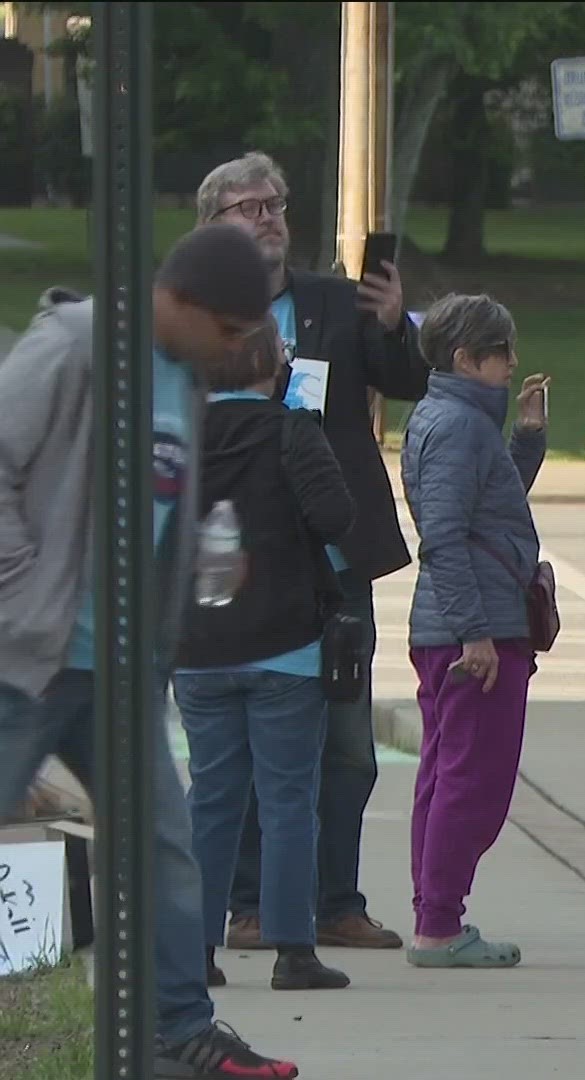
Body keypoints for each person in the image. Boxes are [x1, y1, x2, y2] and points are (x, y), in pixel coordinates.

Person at [0, 223, 300, 1077]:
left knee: (162, 841)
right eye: (234, 334)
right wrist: (19, 597)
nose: (238, 351)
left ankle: (176, 1030)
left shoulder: (182, 376)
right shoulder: (75, 347)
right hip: (28, 658)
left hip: (117, 666)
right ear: (184, 304)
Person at [197, 151, 430, 952]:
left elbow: (406, 381)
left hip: (334, 565)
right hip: (241, 562)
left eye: (277, 203)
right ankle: (253, 907)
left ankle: (337, 902)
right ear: (214, 225)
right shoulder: (190, 315)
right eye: (249, 207)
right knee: (243, 753)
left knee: (347, 747)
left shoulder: (333, 300)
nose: (268, 217)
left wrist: (396, 324)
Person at [173, 324, 356, 993]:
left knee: (211, 798)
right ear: (270, 367)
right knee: (287, 798)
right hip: (286, 643)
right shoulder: (292, 431)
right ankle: (291, 949)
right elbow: (336, 516)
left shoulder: (181, 431)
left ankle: (194, 948)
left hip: (198, 642)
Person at [401, 294, 550, 969]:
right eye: (501, 355)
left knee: (445, 773)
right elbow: (447, 534)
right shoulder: (457, 427)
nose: (513, 365)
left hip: (461, 622)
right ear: (466, 358)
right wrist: (474, 634)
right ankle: (439, 922)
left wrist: (527, 439)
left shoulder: (454, 420)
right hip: (475, 628)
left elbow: (493, 506)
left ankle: (436, 912)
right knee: (473, 780)